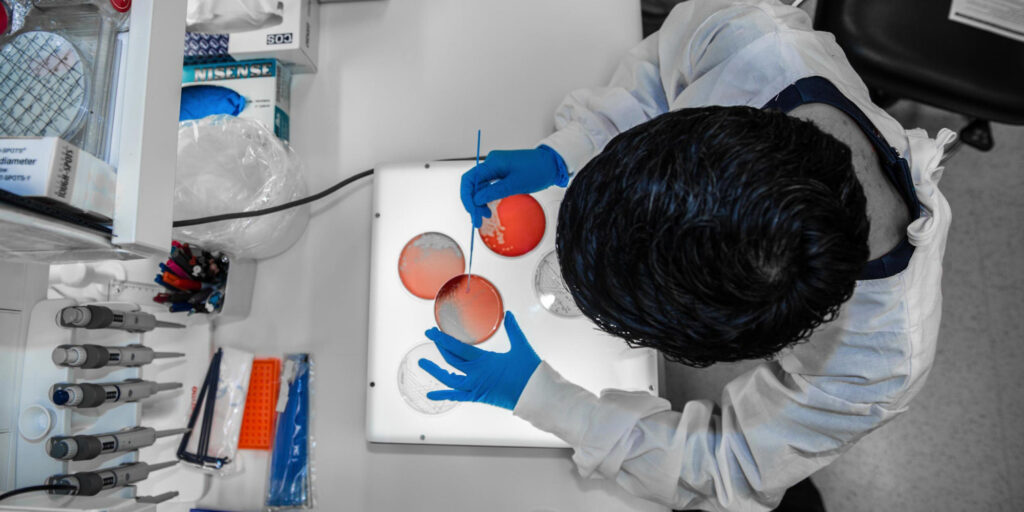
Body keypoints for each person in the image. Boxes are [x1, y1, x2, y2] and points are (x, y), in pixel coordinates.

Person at [418, 1, 956, 510]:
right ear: (695, 129)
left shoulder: (877, 363)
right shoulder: (748, 36)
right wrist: (570, 149)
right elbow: (661, 78)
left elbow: (730, 466)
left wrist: (547, 401)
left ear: (737, 348)